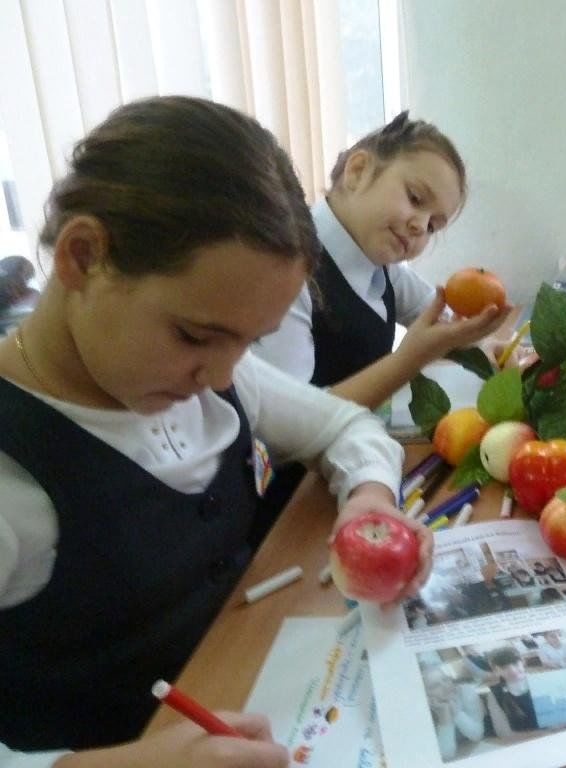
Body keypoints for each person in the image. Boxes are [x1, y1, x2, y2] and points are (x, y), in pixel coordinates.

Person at [0, 96, 431, 768]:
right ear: (83, 257)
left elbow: (347, 427)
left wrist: (369, 500)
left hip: (260, 686)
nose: (223, 374)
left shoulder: (217, 376)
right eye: (195, 335)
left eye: (251, 341)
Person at [253, 111, 511, 405]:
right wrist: (408, 360)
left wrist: (490, 346)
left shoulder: (381, 268)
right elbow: (289, 418)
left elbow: (440, 320)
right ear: (358, 171)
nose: (419, 227)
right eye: (415, 198)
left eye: (432, 226)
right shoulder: (287, 271)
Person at [420, 663, 485, 760]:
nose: (446, 686)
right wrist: (444, 716)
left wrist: (455, 711)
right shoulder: (421, 712)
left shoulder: (466, 691)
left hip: (473, 750)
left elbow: (477, 735)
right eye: (435, 686)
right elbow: (446, 755)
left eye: (445, 679)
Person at [484, 646, 539, 737]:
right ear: (496, 671)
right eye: (504, 668)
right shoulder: (494, 694)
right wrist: (542, 734)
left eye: (515, 664)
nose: (513, 671)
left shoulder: (541, 680)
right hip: (524, 743)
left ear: (522, 662)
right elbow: (503, 732)